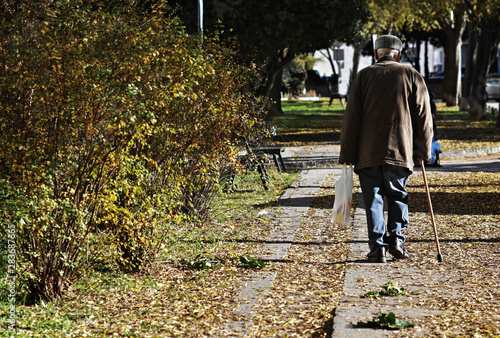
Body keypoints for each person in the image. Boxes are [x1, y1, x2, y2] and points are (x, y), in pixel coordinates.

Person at [339, 35, 433, 263]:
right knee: (398, 195)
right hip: (401, 150)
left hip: (367, 152)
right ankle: (397, 240)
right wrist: (424, 149)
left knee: (373, 200)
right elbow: (424, 116)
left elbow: (351, 118)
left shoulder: (364, 76)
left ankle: (377, 248)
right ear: (398, 54)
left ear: (376, 54)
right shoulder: (411, 75)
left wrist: (348, 154)